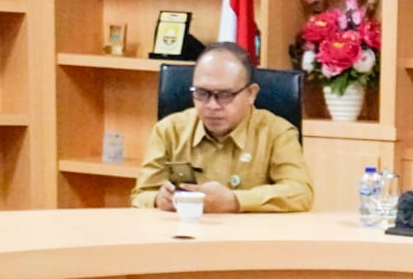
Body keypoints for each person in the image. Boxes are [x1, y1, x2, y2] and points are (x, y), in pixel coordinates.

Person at [131, 42, 313, 213]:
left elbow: (301, 193)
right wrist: (158, 199)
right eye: (201, 93)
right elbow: (140, 196)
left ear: (251, 94)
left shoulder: (277, 132)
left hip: (250, 234)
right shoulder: (170, 130)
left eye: (225, 95)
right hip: (186, 232)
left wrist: (235, 201)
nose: (212, 105)